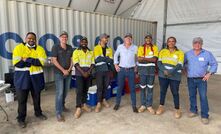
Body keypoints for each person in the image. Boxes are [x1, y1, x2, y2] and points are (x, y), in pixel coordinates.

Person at [12, 32, 47, 128]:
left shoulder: (40, 49)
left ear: (35, 40)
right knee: (22, 100)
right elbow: (17, 63)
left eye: (33, 39)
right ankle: (21, 118)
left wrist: (27, 59)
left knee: (37, 98)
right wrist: (33, 61)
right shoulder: (18, 48)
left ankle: (38, 113)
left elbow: (41, 62)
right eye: (29, 38)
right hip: (22, 78)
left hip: (36, 77)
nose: (31, 40)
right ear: (26, 39)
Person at [184, 37, 218, 124]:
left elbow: (214, 64)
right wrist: (185, 71)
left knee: (203, 97)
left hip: (202, 80)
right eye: (195, 43)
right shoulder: (188, 54)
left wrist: (209, 73)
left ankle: (205, 115)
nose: (197, 45)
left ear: (201, 44)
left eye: (199, 43)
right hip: (190, 79)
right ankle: (193, 111)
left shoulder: (207, 54)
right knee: (192, 95)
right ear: (193, 44)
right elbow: (183, 63)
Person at [156, 37, 184, 119]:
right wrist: (164, 71)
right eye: (169, 41)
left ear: (175, 42)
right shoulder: (162, 51)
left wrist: (170, 72)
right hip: (163, 75)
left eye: (172, 41)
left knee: (175, 92)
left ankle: (177, 109)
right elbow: (159, 62)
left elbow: (180, 65)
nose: (171, 43)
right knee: (162, 91)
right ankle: (161, 106)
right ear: (167, 43)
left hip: (175, 76)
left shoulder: (180, 53)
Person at [51, 31, 73, 122]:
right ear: (60, 38)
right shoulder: (55, 47)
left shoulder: (70, 47)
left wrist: (69, 69)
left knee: (66, 91)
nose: (64, 38)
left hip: (68, 72)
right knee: (59, 92)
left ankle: (62, 106)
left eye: (66, 37)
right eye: (62, 37)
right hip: (59, 73)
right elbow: (54, 60)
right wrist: (63, 70)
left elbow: (72, 59)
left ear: (67, 38)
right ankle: (58, 112)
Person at [113, 33, 138, 113]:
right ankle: (117, 103)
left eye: (130, 38)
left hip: (131, 70)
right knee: (120, 87)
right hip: (122, 70)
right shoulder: (120, 47)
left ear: (131, 39)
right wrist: (116, 64)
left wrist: (136, 66)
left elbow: (137, 57)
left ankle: (134, 105)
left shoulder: (135, 47)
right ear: (124, 39)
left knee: (132, 88)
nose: (128, 39)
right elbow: (116, 55)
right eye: (126, 38)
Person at [72, 37, 94, 118]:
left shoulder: (90, 52)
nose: (84, 43)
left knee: (86, 89)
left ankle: (84, 105)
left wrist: (88, 72)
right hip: (79, 74)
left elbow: (93, 63)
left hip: (88, 74)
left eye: (85, 42)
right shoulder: (76, 52)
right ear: (80, 43)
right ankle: (78, 108)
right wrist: (83, 73)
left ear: (87, 43)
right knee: (79, 90)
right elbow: (76, 63)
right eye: (82, 42)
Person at [137, 33, 158, 114]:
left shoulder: (155, 48)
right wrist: (149, 58)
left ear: (151, 39)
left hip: (151, 71)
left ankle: (149, 105)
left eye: (149, 38)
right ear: (145, 39)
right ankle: (143, 105)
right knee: (142, 88)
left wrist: (144, 58)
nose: (148, 39)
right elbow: (139, 59)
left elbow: (154, 60)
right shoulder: (141, 47)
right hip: (142, 70)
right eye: (146, 38)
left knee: (150, 88)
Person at [93, 33, 113, 113]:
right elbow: (97, 59)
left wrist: (103, 59)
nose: (107, 39)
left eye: (107, 38)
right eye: (105, 38)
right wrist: (106, 59)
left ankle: (104, 100)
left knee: (106, 85)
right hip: (99, 70)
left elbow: (111, 60)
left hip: (107, 70)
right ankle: (98, 103)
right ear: (101, 39)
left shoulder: (109, 49)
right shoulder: (96, 48)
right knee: (99, 86)